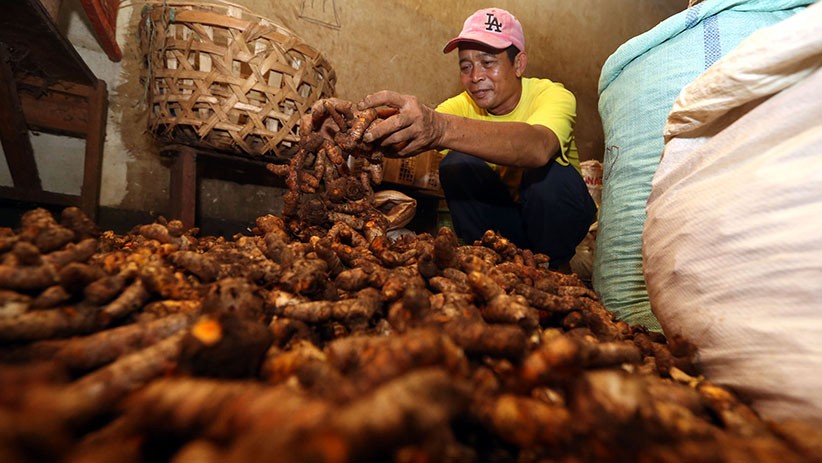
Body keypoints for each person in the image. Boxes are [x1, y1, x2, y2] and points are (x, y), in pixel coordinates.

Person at [368, 8, 597, 270]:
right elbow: (407, 130)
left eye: (488, 63)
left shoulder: (551, 95)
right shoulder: (462, 105)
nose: (475, 77)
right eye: (466, 66)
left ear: (519, 64)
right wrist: (351, 127)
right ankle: (490, 263)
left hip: (554, 227)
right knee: (457, 163)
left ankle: (553, 268)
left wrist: (440, 129)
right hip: (504, 228)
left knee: (547, 173)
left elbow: (538, 147)